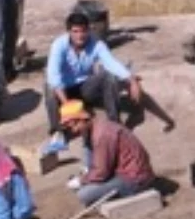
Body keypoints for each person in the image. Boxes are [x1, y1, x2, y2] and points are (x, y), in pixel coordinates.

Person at [43, 10, 142, 151]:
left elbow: (111, 63)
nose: (80, 35)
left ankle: (115, 124)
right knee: (49, 85)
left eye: (83, 31)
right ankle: (58, 132)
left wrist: (131, 80)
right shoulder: (59, 46)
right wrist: (68, 105)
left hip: (84, 87)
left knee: (109, 76)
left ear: (88, 30)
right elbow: (54, 76)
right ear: (69, 32)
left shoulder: (96, 44)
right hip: (63, 91)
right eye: (75, 31)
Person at [59, 102, 155, 206]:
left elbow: (102, 173)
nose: (73, 131)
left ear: (82, 119)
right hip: (126, 171)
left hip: (134, 179)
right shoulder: (97, 126)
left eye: (73, 126)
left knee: (83, 195)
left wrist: (81, 181)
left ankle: (128, 192)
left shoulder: (101, 135)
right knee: (87, 148)